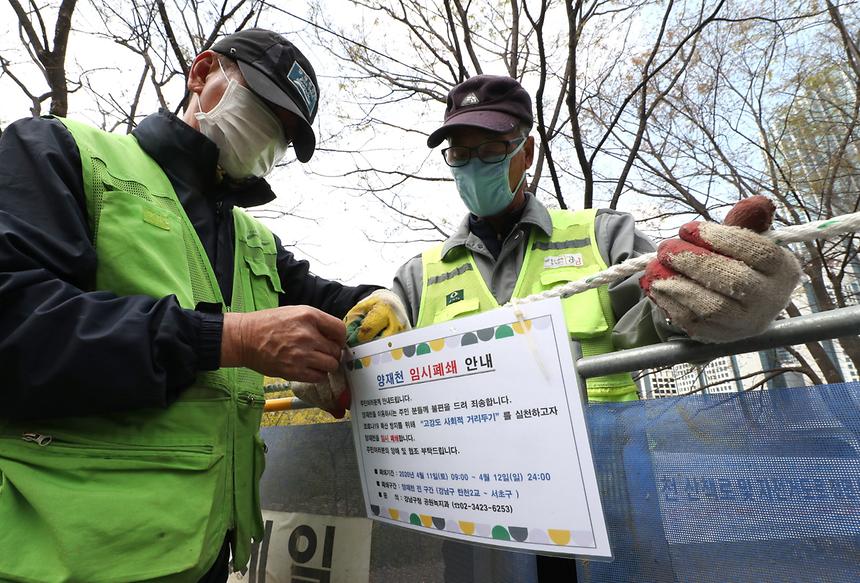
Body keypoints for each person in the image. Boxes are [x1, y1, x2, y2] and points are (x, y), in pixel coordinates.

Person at [297, 74, 802, 582]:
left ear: (527, 151)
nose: (475, 166)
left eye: (492, 147)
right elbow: (372, 362)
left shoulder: (604, 236)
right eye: (460, 154)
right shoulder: (417, 276)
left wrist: (721, 301)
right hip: (476, 520)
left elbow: (671, 316)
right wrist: (328, 357)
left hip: (606, 505)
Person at [0, 28, 403, 583]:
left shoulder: (252, 240)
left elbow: (334, 304)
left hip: (204, 555)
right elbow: (14, 327)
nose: (267, 136)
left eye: (284, 135)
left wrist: (385, 303)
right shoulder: (62, 153)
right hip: (61, 556)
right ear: (201, 73)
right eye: (262, 107)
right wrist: (229, 339)